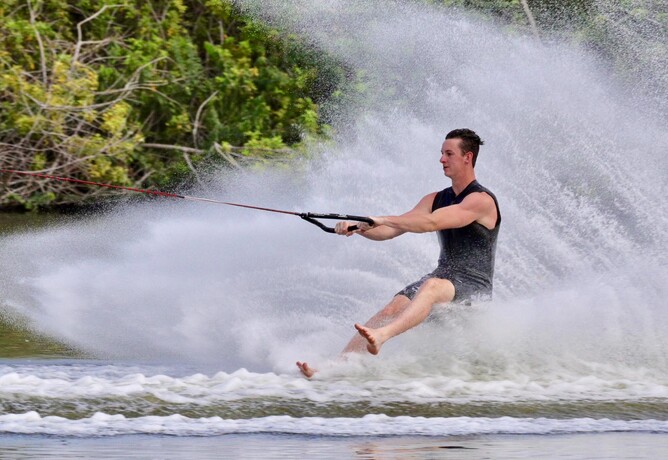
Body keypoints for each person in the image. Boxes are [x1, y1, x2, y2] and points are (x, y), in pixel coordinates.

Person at [297, 128, 500, 378]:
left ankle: (381, 337)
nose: (441, 159)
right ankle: (333, 368)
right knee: (393, 308)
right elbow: (393, 229)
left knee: (431, 286)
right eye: (441, 153)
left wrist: (382, 218)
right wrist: (358, 228)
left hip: (473, 286)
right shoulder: (435, 198)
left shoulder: (480, 201)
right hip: (444, 277)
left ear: (467, 157)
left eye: (449, 154)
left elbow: (431, 223)